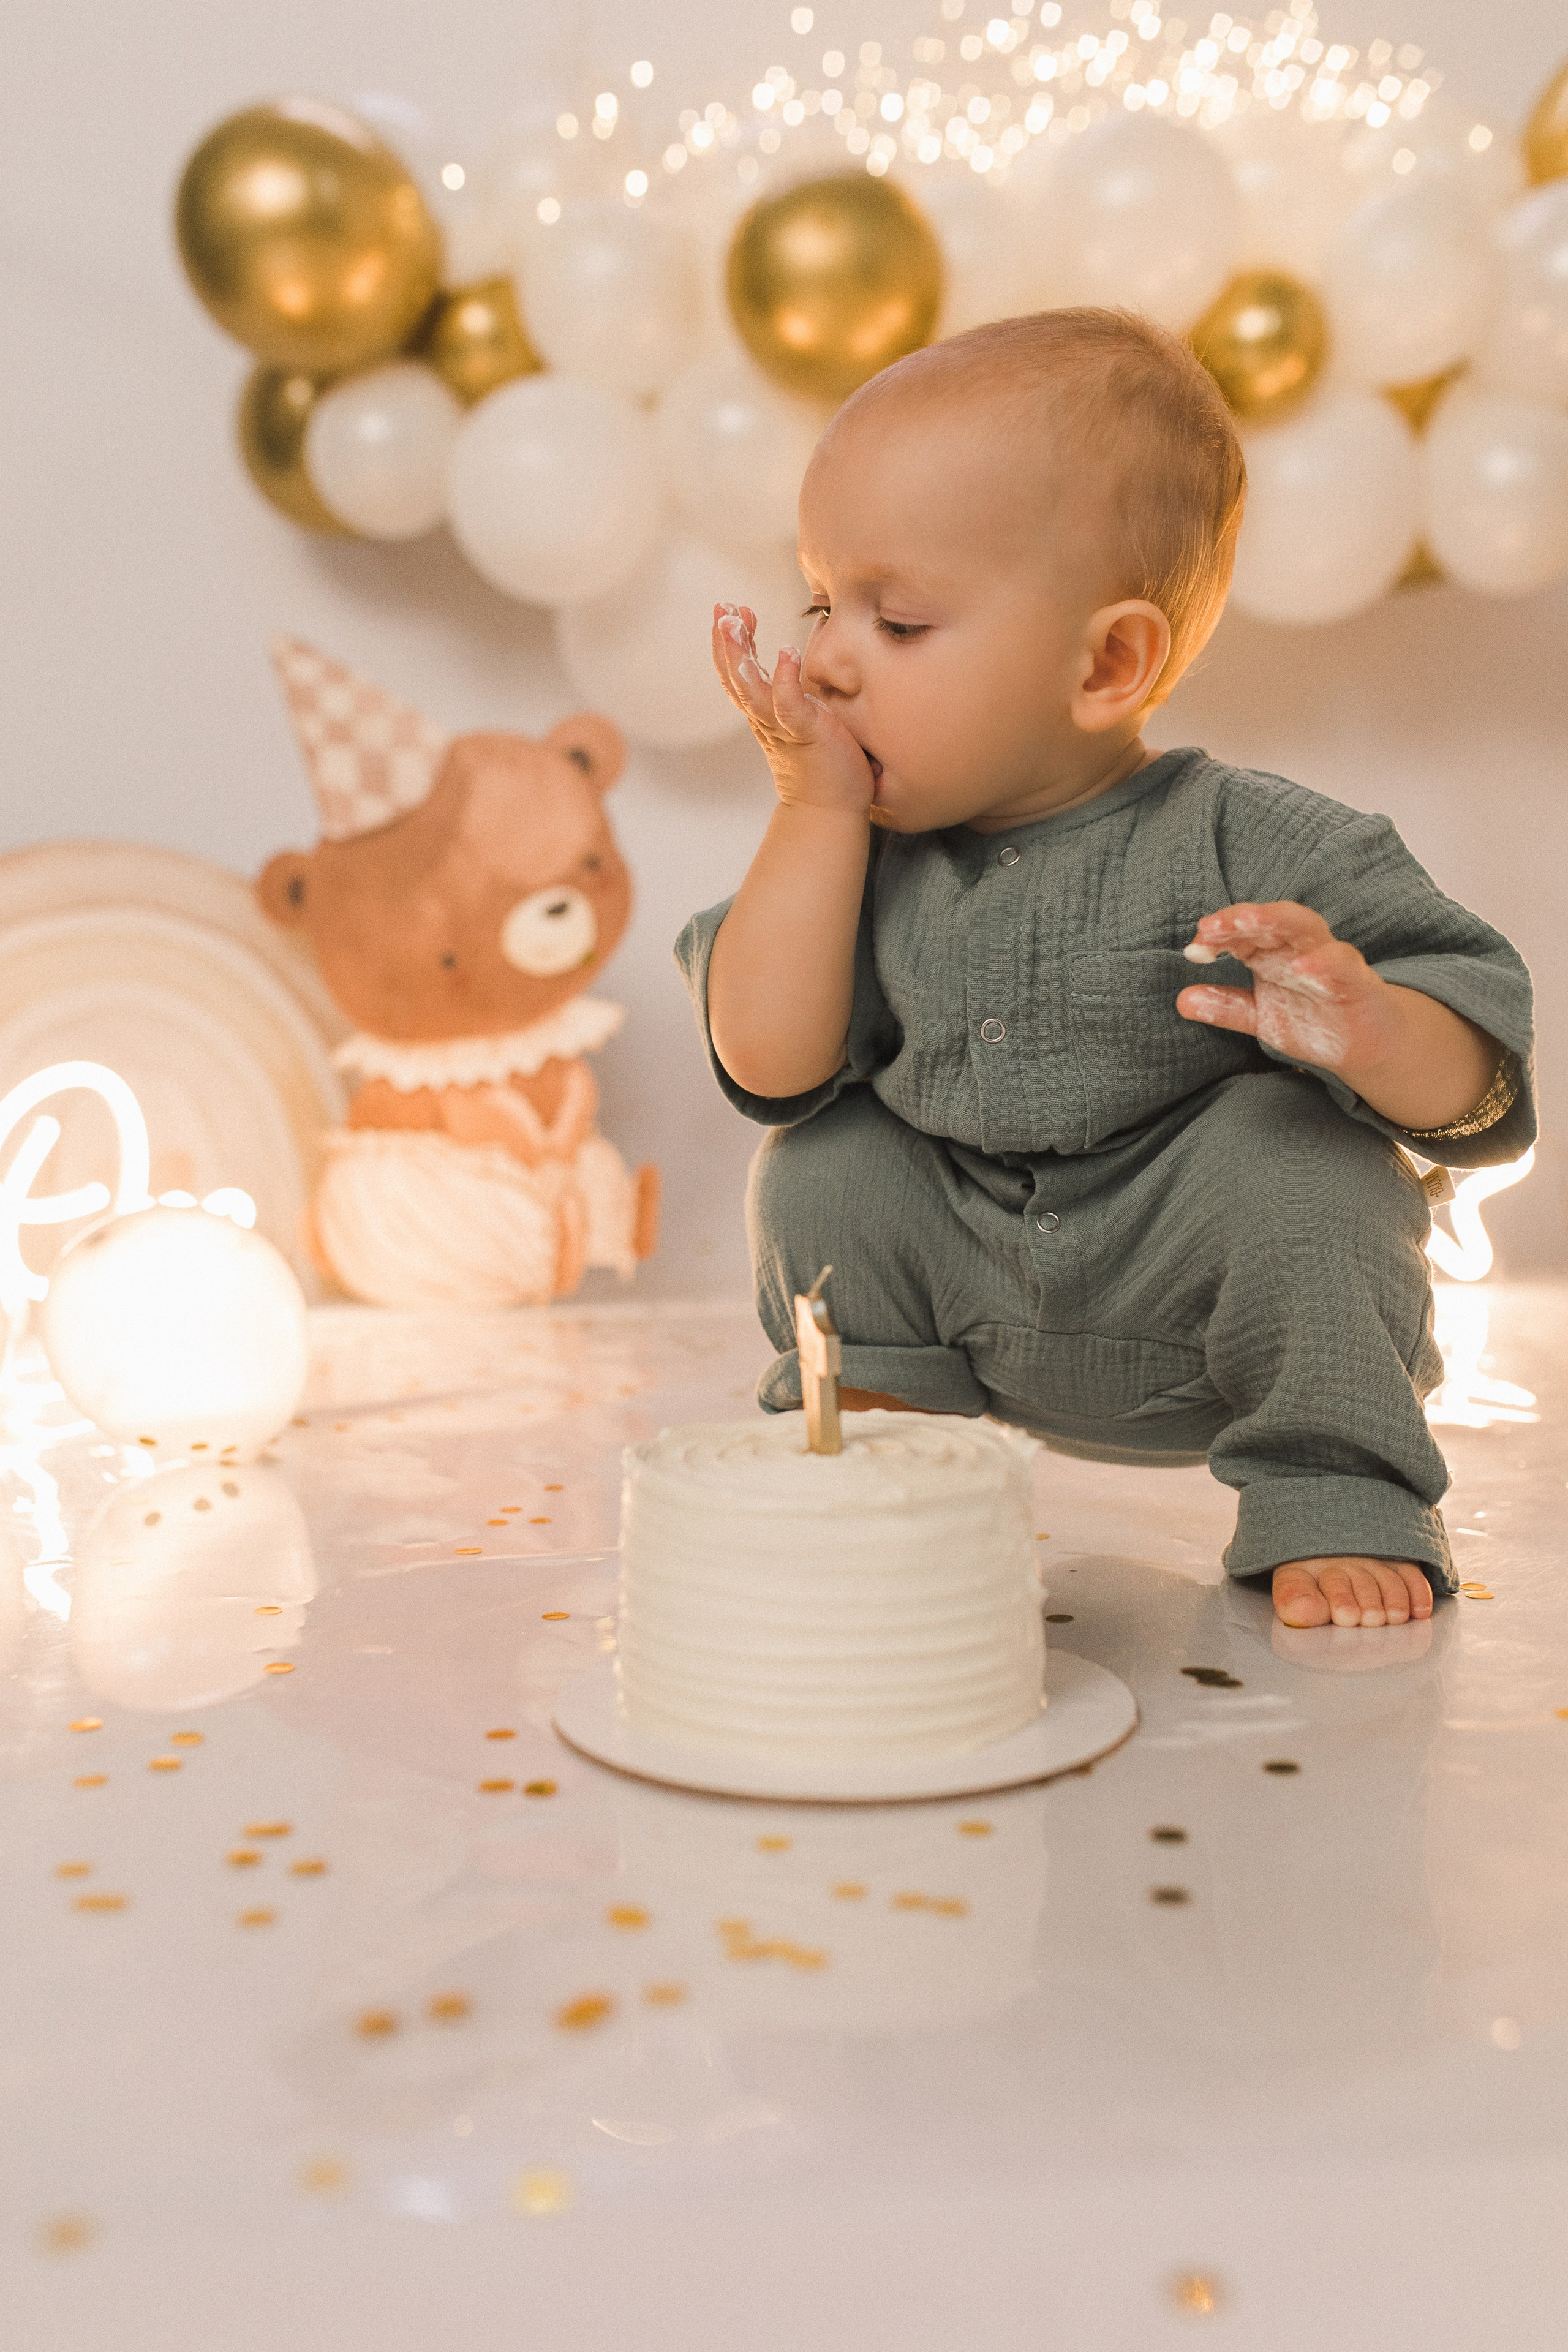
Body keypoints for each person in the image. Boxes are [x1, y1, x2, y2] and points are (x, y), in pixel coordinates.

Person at [676, 308, 1534, 1630]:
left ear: (1105, 663)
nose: (830, 658)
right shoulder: (850, 859)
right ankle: (887, 1456)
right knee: (824, 1163)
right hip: (960, 1275)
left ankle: (1333, 1484)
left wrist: (1374, 1031)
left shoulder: (1250, 835)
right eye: (819, 602)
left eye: (893, 620)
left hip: (1184, 1283)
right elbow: (768, 1061)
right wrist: (812, 812)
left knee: (1309, 1171)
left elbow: (1473, 1072)